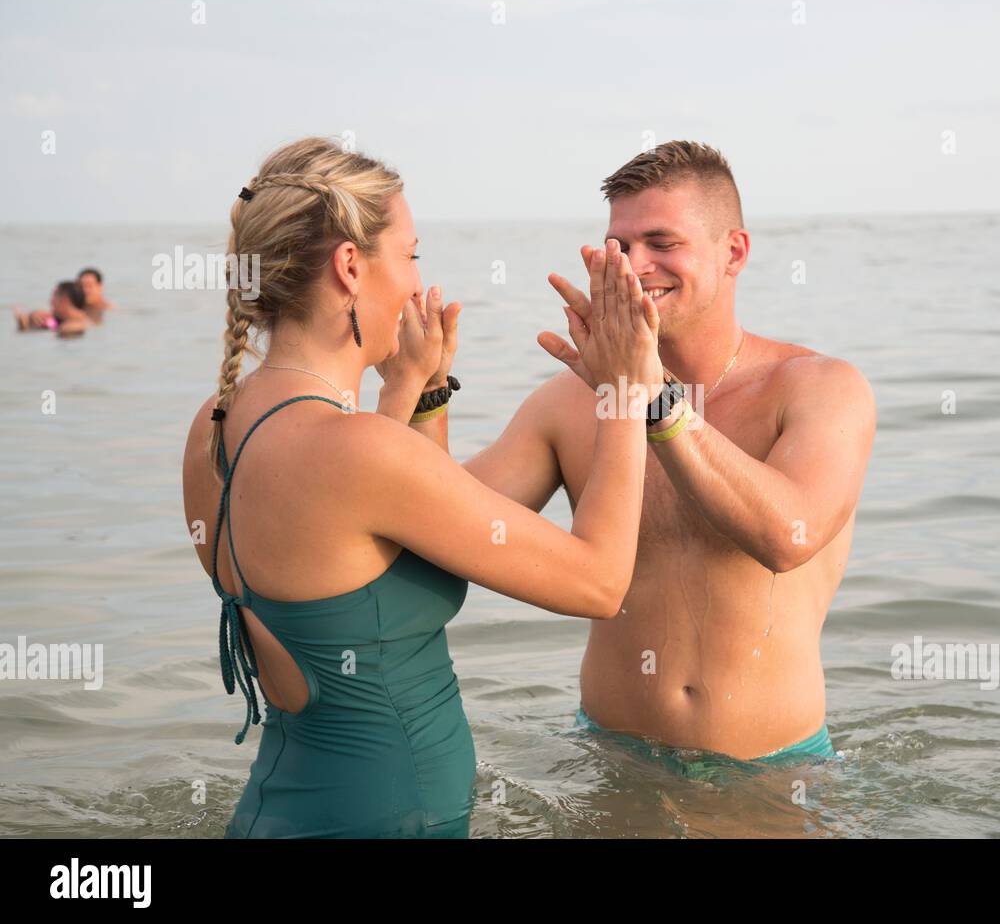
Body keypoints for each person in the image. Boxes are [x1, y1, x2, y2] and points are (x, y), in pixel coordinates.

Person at [181, 136, 664, 838]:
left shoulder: (215, 425)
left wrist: (415, 390)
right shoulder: (358, 452)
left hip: (278, 808)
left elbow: (352, 558)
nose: (416, 282)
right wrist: (625, 392)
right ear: (350, 266)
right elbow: (599, 582)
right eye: (410, 254)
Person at [467, 141, 876, 772]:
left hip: (771, 774)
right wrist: (423, 391)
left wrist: (650, 398)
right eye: (619, 247)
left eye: (662, 242)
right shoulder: (567, 404)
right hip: (607, 760)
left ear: (733, 251)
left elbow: (787, 535)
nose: (634, 266)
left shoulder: (820, 388)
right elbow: (444, 524)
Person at [13, 281, 90, 337]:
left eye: (54, 296)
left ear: (65, 300)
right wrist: (30, 317)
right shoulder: (69, 320)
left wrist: (23, 327)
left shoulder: (71, 327)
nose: (50, 301)